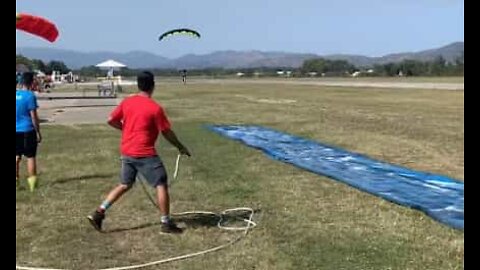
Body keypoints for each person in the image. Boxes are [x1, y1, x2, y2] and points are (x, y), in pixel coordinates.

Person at [88, 71, 191, 234]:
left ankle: (99, 212)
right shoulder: (155, 108)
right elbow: (166, 132)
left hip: (127, 151)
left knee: (125, 184)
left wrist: (125, 129)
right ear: (153, 86)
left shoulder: (127, 102)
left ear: (138, 84)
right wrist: (180, 146)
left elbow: (111, 120)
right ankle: (165, 223)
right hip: (144, 153)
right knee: (161, 184)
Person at [16, 72, 42, 192]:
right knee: (30, 157)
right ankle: (32, 185)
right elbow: (33, 117)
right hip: (27, 130)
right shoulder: (30, 96)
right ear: (31, 82)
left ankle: (16, 181)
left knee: (17, 157)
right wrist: (38, 131)